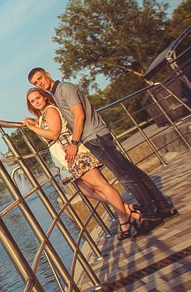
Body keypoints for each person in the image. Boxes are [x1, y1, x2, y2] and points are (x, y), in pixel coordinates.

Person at [27, 68, 177, 231]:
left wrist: (74, 143)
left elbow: (79, 116)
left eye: (39, 78)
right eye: (35, 83)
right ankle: (163, 207)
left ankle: (150, 214)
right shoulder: (56, 94)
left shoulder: (64, 88)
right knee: (132, 172)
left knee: (125, 176)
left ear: (47, 74)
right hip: (92, 138)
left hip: (95, 137)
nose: (39, 83)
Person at [23, 88, 144, 239]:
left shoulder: (51, 110)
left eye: (38, 98)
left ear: (45, 97)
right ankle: (127, 210)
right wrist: (35, 122)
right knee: (88, 192)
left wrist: (33, 128)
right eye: (32, 101)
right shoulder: (44, 115)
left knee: (101, 186)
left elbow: (54, 134)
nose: (36, 102)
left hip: (73, 153)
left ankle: (126, 217)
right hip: (65, 159)